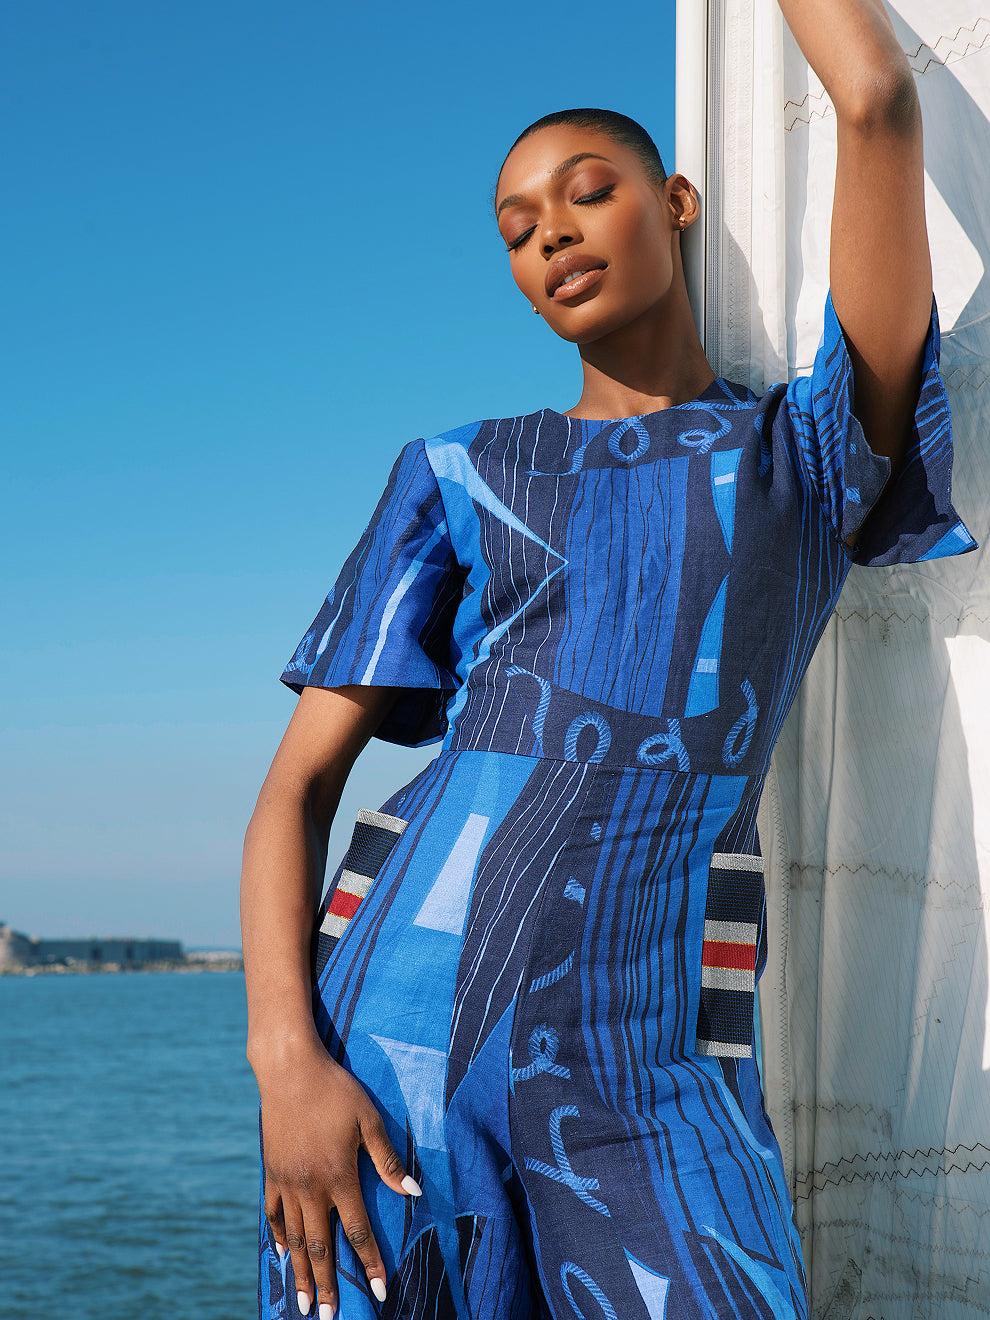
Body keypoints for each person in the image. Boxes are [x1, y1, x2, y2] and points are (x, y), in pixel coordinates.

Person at [241, 2, 976, 1316]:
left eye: (587, 193)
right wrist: (285, 1064)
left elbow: (874, 101)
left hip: (655, 1056)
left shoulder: (800, 457)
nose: (553, 236)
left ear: (676, 200)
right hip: (397, 1034)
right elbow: (297, 790)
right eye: (517, 230)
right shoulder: (458, 471)